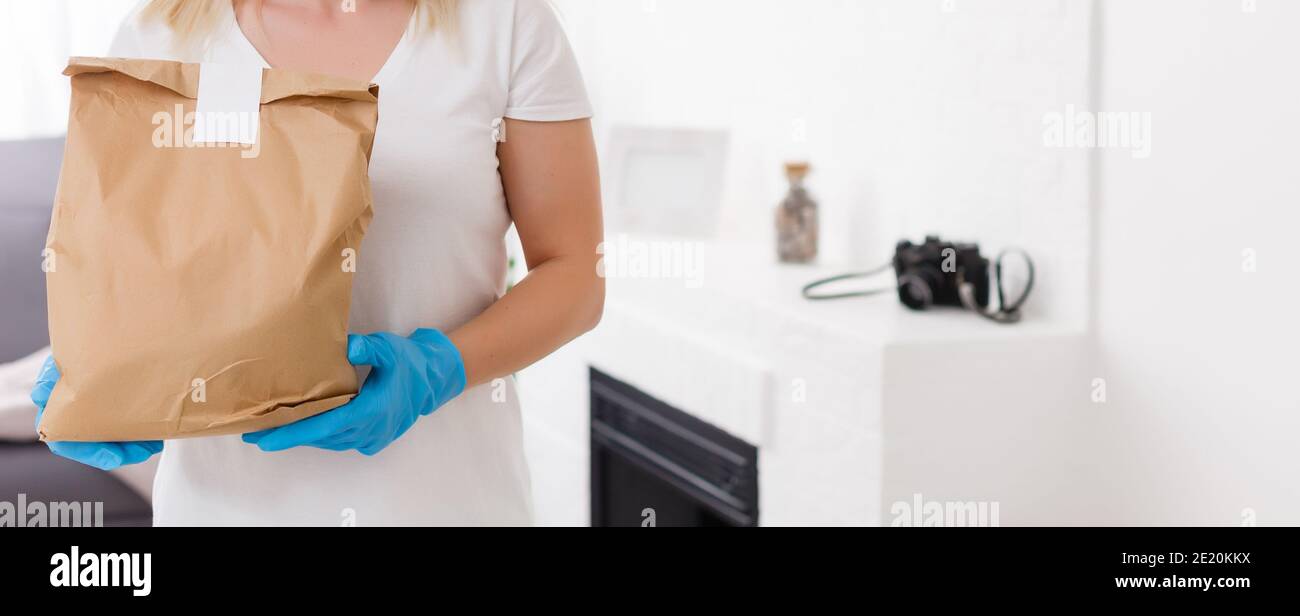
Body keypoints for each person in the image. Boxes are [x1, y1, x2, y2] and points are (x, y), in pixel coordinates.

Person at [29, 0, 603, 525]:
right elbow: (137, 264)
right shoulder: (162, 34)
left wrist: (438, 368)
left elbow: (575, 272)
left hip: (448, 504)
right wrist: (96, 368)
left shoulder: (503, 24)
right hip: (222, 511)